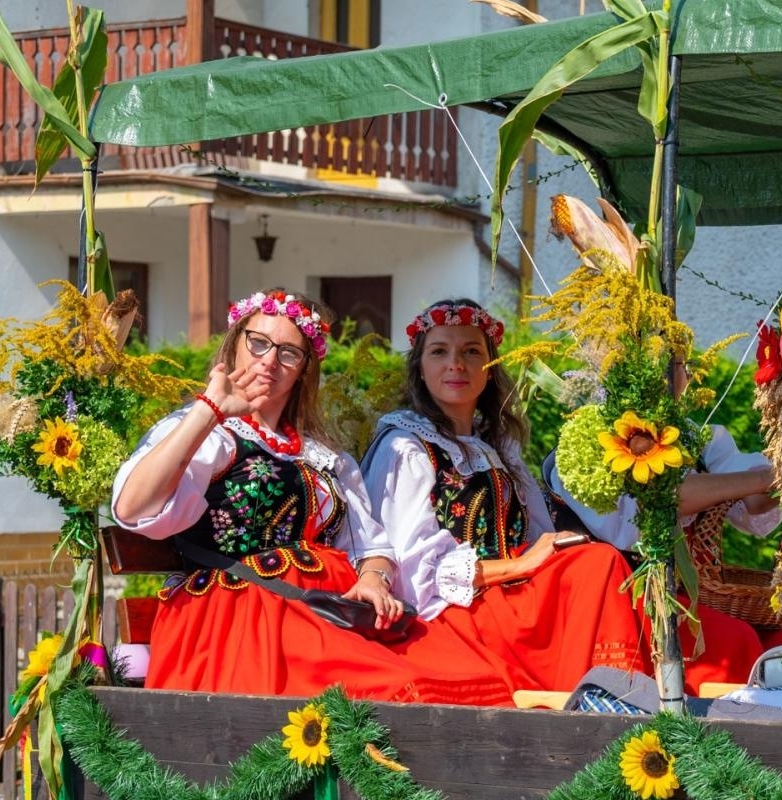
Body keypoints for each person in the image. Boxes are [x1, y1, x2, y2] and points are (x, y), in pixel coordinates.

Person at [112, 289, 514, 705]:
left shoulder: (326, 457)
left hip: (318, 612)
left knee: (462, 678)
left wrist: (374, 580)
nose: (269, 360)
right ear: (235, 345)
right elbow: (132, 507)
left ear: (304, 369)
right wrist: (209, 409)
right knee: (398, 690)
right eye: (258, 343)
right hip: (239, 617)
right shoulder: (211, 433)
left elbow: (372, 546)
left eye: (288, 353)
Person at [362, 298, 647, 693]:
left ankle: (615, 690)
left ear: (490, 367)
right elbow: (412, 572)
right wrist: (519, 567)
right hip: (457, 612)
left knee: (598, 563)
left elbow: (536, 535)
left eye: (471, 352)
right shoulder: (406, 447)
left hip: (508, 596)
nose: (456, 364)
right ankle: (606, 697)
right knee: (596, 567)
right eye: (439, 351)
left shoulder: (494, 445)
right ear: (420, 368)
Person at [544, 375, 782, 693]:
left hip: (682, 597)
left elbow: (756, 507)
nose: (665, 376)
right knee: (735, 639)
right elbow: (648, 511)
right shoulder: (586, 444)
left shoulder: (695, 438)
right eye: (648, 366)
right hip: (610, 601)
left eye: (676, 364)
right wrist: (762, 479)